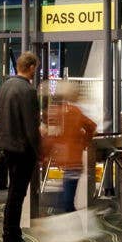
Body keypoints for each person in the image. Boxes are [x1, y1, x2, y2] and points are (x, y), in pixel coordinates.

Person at [0, 52, 43, 242]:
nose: (37, 71)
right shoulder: (28, 91)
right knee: (17, 194)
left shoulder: (4, 86)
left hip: (6, 146)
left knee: (13, 193)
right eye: (36, 68)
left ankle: (9, 235)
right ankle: (13, 237)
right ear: (31, 67)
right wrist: (39, 150)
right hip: (22, 149)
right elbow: (32, 127)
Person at [44, 80, 97, 214]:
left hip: (67, 159)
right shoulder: (75, 111)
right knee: (66, 196)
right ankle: (71, 223)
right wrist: (84, 142)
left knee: (66, 200)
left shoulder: (58, 112)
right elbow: (92, 126)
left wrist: (45, 154)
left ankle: (71, 225)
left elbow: (51, 137)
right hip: (74, 158)